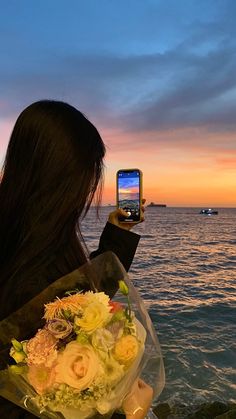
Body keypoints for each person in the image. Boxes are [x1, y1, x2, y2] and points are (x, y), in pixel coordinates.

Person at [0, 100, 153, 419]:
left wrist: (118, 232)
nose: (87, 192)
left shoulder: (26, 243)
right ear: (63, 181)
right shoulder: (36, 267)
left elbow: (78, 297)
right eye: (86, 177)